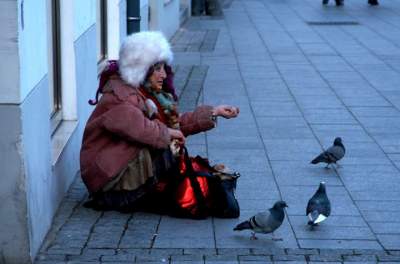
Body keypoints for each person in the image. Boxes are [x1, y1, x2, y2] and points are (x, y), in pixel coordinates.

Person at [80, 31, 240, 219]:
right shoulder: (119, 97)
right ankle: (144, 194)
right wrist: (170, 134)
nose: (163, 74)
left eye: (164, 68)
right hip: (107, 185)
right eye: (157, 69)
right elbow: (142, 129)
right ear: (141, 68)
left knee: (168, 144)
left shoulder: (140, 91)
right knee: (165, 148)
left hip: (117, 174)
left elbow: (169, 124)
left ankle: (169, 190)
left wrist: (214, 112)